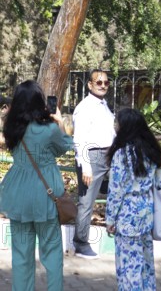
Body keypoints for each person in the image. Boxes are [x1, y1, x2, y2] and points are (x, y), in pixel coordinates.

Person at [0, 80, 73, 290]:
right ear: (39, 102)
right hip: (46, 196)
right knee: (52, 252)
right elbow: (66, 146)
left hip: (18, 195)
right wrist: (59, 120)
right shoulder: (49, 129)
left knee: (21, 254)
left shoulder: (12, 129)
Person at [105, 108, 161, 291]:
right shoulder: (150, 151)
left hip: (126, 217)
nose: (116, 126)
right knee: (146, 265)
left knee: (129, 266)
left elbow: (116, 191)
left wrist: (110, 219)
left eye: (118, 123)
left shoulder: (121, 154)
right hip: (146, 214)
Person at [72, 69, 115, 258]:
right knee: (86, 202)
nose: (103, 85)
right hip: (92, 156)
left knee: (118, 194)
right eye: (99, 82)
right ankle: (81, 243)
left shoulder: (103, 105)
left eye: (106, 82)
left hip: (108, 155)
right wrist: (86, 165)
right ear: (90, 84)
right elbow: (79, 139)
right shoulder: (85, 107)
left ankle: (117, 231)